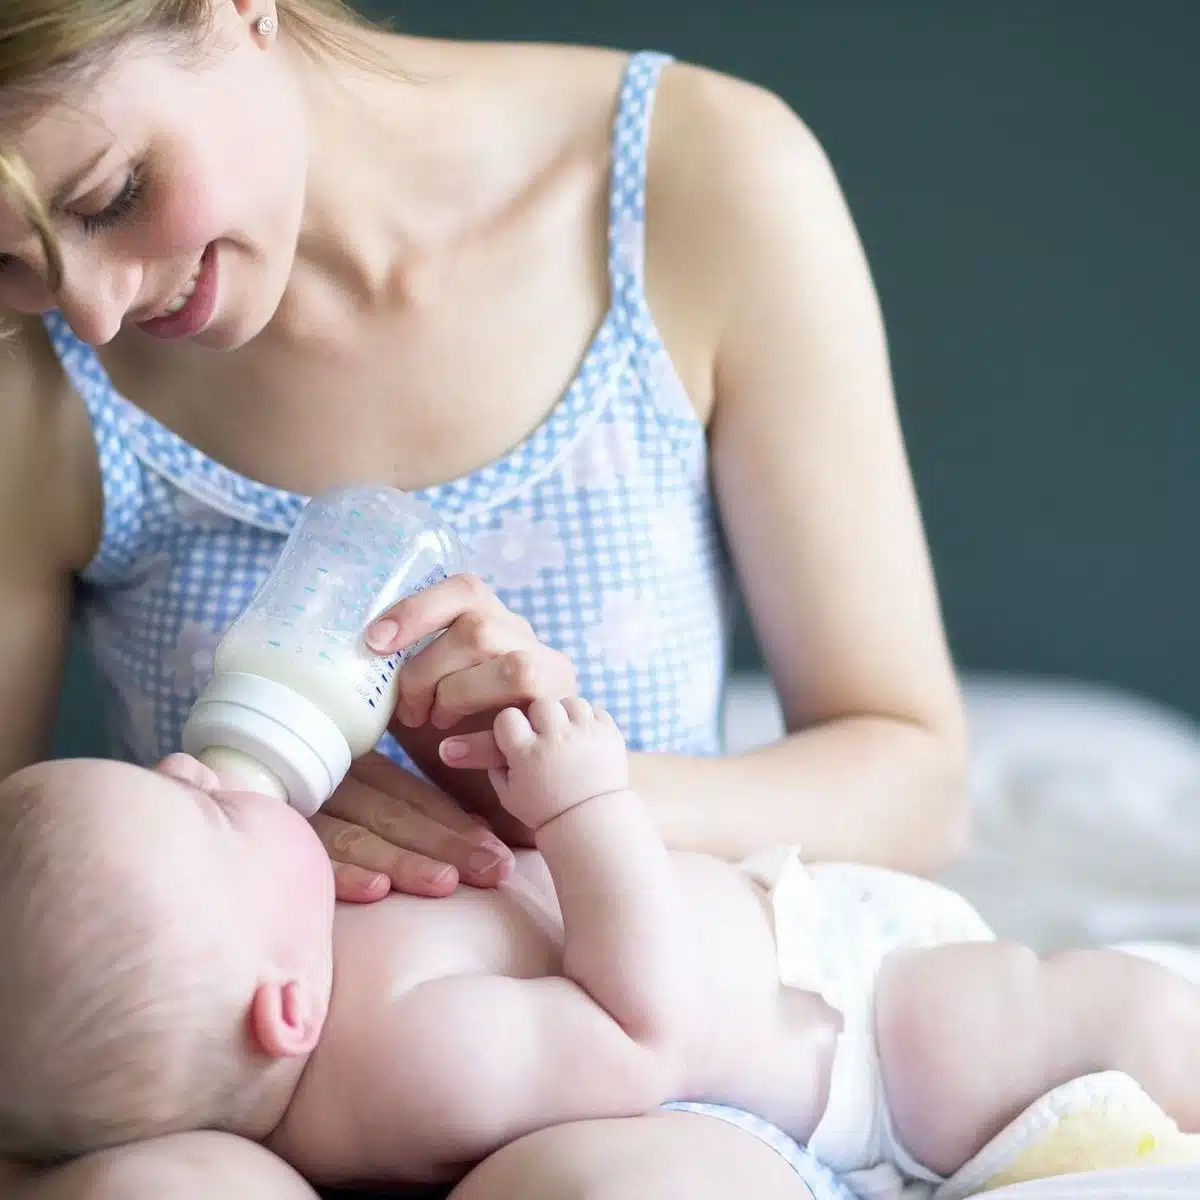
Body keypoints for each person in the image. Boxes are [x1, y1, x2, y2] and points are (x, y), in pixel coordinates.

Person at [0, 0, 968, 1196]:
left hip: (651, 1087)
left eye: (109, 196)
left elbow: (917, 782)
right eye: (11, 259)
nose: (89, 309)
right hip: (253, 1110)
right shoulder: (30, 371)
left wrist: (552, 802)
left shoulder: (701, 184)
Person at [2, 705, 1198, 1200]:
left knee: (1099, 1006)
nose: (195, 766)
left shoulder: (315, 965)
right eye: (206, 815)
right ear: (282, 1010)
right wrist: (585, 812)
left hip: (801, 945)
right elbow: (637, 1034)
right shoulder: (411, 1049)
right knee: (1100, 1019)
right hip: (855, 1046)